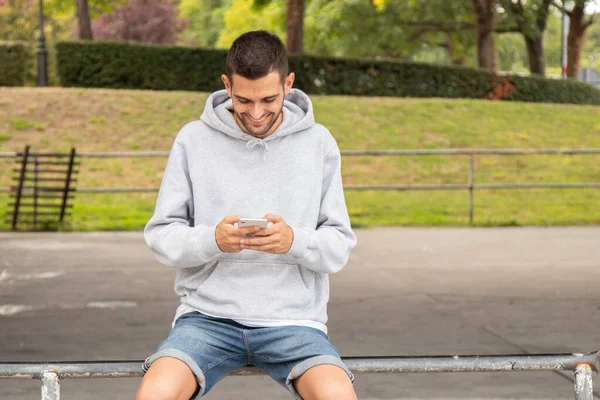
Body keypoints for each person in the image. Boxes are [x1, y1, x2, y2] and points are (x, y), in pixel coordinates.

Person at [136, 30, 357, 400]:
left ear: (288, 83)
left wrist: (294, 242)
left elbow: (339, 247)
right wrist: (212, 241)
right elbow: (161, 236)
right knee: (154, 393)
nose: (256, 113)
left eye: (269, 99)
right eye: (244, 99)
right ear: (226, 85)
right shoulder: (193, 139)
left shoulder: (319, 142)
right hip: (206, 320)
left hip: (294, 322)